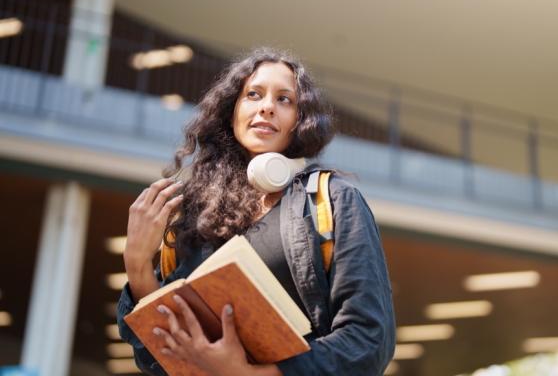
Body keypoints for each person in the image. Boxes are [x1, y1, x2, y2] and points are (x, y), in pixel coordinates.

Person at [117, 48, 396, 376]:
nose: (267, 107)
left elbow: (369, 341)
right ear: (231, 111)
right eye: (253, 94)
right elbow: (156, 355)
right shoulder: (195, 215)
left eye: (284, 100)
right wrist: (137, 264)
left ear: (299, 121)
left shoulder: (332, 200)